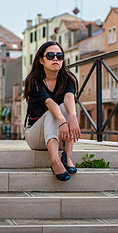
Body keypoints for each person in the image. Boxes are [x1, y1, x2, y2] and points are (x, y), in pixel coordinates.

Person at [23, 41, 81, 181]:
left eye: (59, 56)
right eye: (50, 56)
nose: (55, 59)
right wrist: (62, 121)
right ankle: (55, 161)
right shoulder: (33, 81)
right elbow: (49, 102)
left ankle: (67, 156)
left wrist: (73, 116)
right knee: (52, 112)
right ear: (41, 60)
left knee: (67, 107)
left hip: (56, 136)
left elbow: (68, 96)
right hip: (35, 137)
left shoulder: (68, 79)